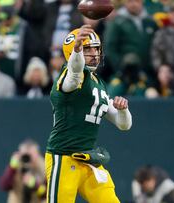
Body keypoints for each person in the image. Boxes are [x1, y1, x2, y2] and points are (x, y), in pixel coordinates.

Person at [45, 24, 132, 203]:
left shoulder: (98, 82)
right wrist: (77, 49)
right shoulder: (69, 76)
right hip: (64, 157)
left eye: (96, 48)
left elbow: (124, 125)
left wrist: (123, 110)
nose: (94, 53)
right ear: (73, 52)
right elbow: (75, 73)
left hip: (88, 158)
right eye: (87, 49)